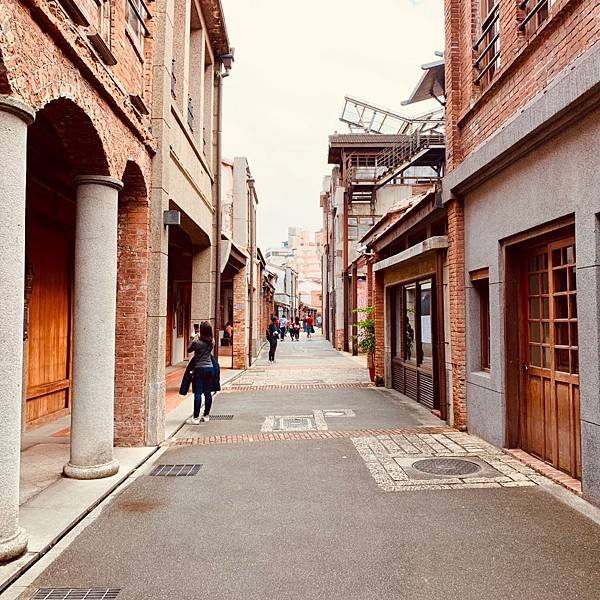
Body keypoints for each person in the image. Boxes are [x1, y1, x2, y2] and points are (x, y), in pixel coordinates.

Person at [186, 321, 215, 424]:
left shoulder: (196, 342)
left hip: (199, 369)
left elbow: (188, 350)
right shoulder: (212, 341)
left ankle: (196, 418)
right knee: (208, 393)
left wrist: (192, 337)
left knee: (198, 393)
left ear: (201, 331)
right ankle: (206, 415)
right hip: (210, 368)